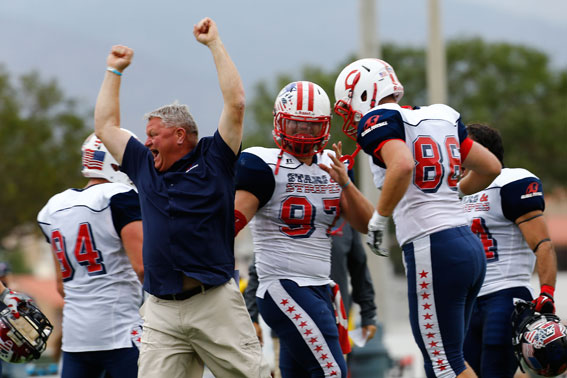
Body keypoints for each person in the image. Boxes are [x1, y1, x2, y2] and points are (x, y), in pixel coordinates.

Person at [94, 17, 267, 378]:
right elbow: (106, 127)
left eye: (154, 134)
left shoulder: (214, 159)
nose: (147, 142)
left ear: (179, 135)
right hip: (161, 309)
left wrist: (214, 44)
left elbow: (235, 103)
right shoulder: (144, 166)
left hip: (213, 302)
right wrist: (114, 71)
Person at [333, 58, 502, 377]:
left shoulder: (378, 120)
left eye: (349, 105)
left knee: (443, 361)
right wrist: (452, 192)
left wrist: (380, 219)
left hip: (433, 247)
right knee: (447, 359)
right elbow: (491, 166)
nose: (350, 115)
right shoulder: (438, 116)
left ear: (365, 94)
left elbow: (403, 165)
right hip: (467, 244)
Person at [235, 80, 375, 378]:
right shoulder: (263, 164)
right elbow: (228, 226)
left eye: (310, 127)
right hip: (282, 284)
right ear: (279, 122)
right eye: (294, 124)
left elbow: (366, 224)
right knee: (332, 372)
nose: (301, 133)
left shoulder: (332, 165)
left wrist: (345, 182)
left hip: (320, 285)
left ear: (323, 128)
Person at [37, 133, 144, 378]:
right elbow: (143, 268)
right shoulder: (118, 197)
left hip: (76, 338)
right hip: (120, 332)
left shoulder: (53, 207)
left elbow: (61, 286)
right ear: (117, 162)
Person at [461, 124, 558, 377]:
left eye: (462, 146)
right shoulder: (454, 190)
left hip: (505, 295)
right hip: (466, 301)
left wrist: (547, 292)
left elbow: (543, 244)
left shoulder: (510, 182)